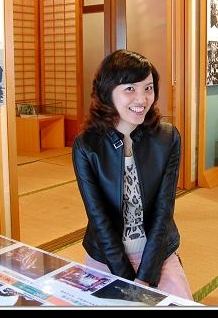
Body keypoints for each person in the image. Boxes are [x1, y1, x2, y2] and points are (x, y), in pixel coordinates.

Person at [71, 49, 193, 300]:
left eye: (148, 88)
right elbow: (98, 217)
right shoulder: (86, 145)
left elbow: (164, 210)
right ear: (107, 92)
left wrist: (145, 276)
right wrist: (127, 281)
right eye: (130, 89)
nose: (142, 98)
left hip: (157, 255)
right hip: (107, 256)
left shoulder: (168, 138)